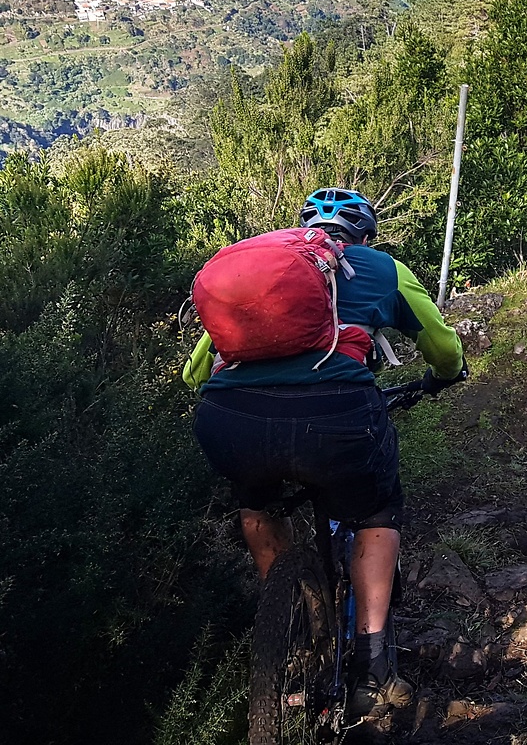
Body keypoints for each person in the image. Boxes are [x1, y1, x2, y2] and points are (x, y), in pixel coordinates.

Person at [184, 188, 466, 716]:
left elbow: (195, 373)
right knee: (376, 512)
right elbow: (445, 349)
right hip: (337, 419)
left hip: (230, 421)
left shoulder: (255, 276)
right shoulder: (383, 269)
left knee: (257, 503)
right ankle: (374, 668)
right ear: (364, 235)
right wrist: (444, 378)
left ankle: (288, 617)